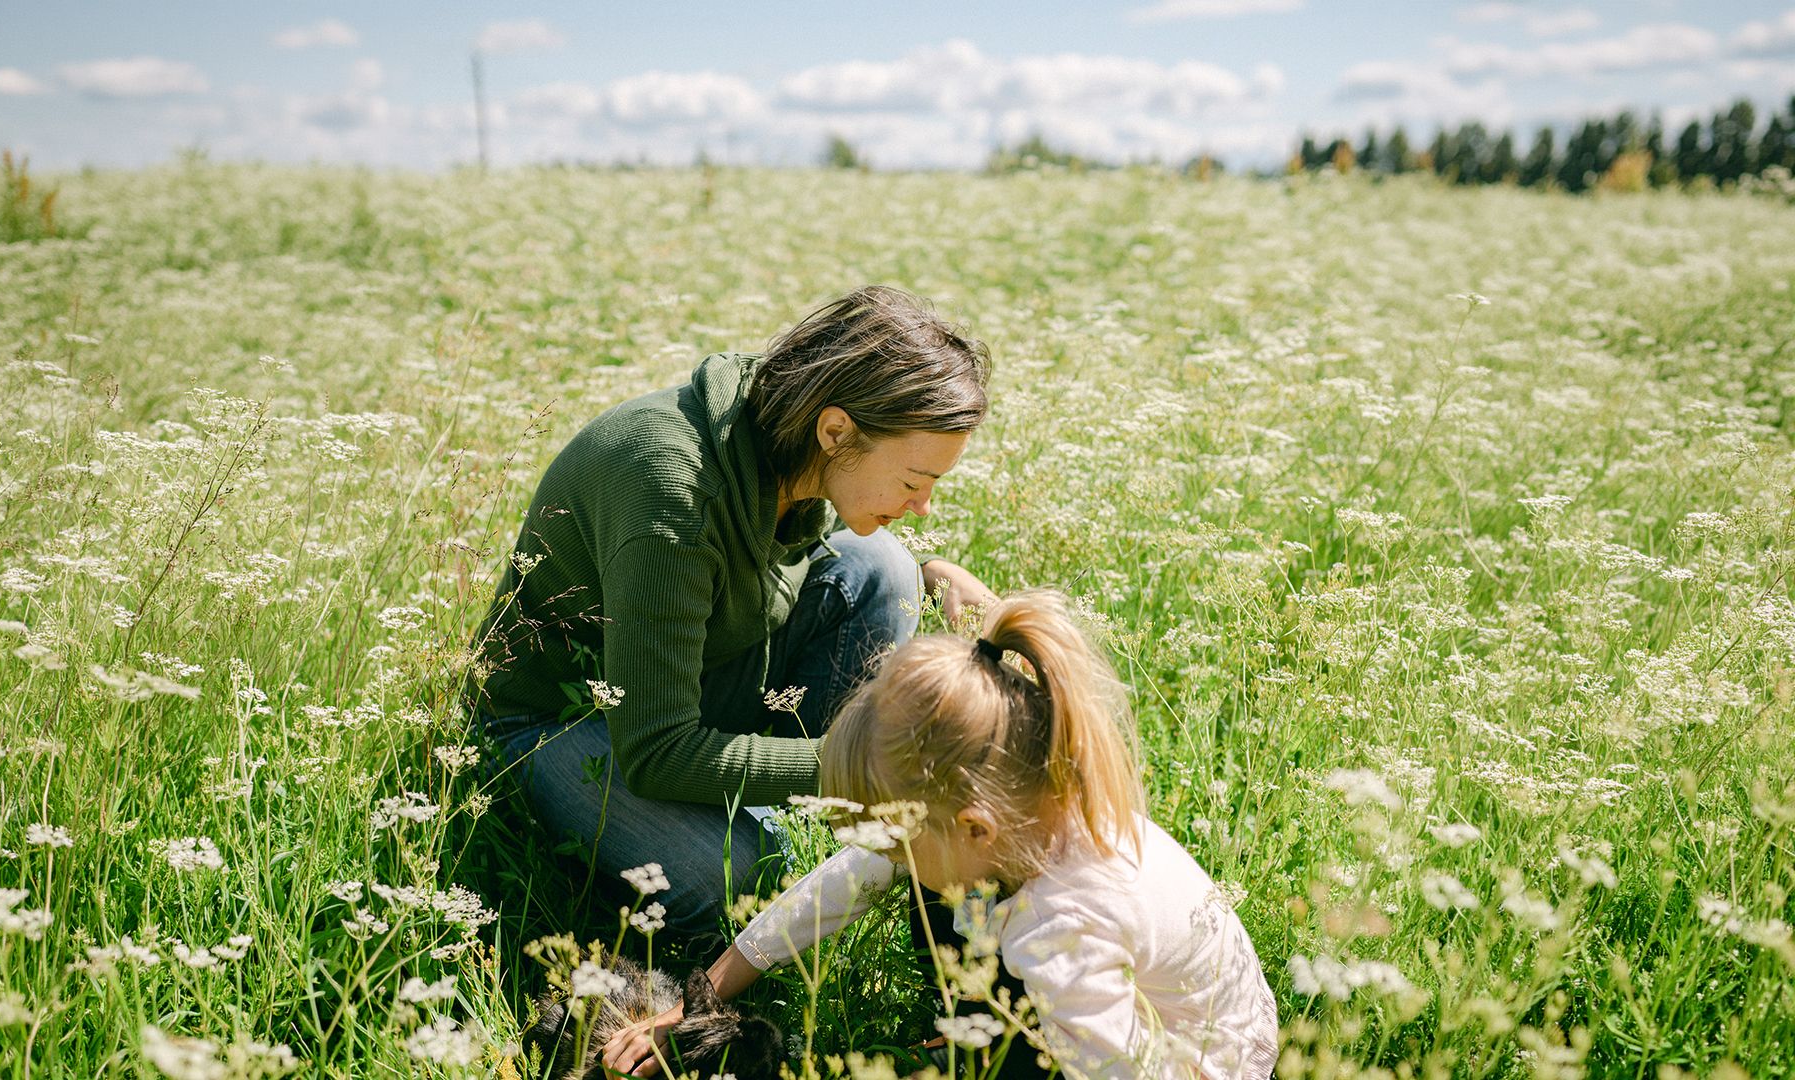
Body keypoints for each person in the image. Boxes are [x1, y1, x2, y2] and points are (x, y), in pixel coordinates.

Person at [470, 285, 999, 939]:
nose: (923, 506)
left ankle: (817, 816)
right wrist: (867, 767)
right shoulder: (671, 495)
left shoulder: (787, 437)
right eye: (915, 482)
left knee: (886, 569)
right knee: (746, 876)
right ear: (836, 431)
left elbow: (834, 542)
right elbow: (656, 752)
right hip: (560, 722)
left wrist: (933, 572)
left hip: (687, 675)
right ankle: (799, 820)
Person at [601, 590, 1280, 1080]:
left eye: (895, 840)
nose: (883, 856)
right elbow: (844, 884)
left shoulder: (1065, 927)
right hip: (1105, 1013)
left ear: (975, 827)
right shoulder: (1023, 814)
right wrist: (705, 994)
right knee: (936, 887)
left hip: (1193, 1064)